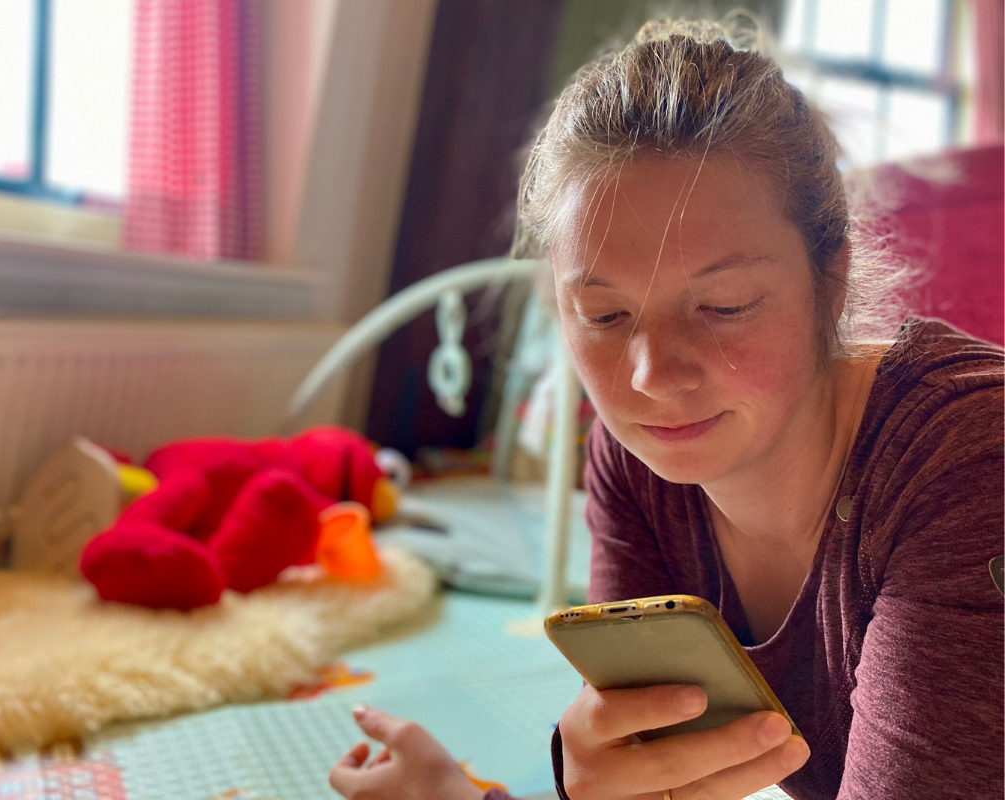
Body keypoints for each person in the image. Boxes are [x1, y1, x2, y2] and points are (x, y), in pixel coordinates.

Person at [330, 14, 1004, 800]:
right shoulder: (637, 463)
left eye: (723, 306)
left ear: (834, 278)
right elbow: (650, 773)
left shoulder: (966, 461)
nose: (651, 378)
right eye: (606, 317)